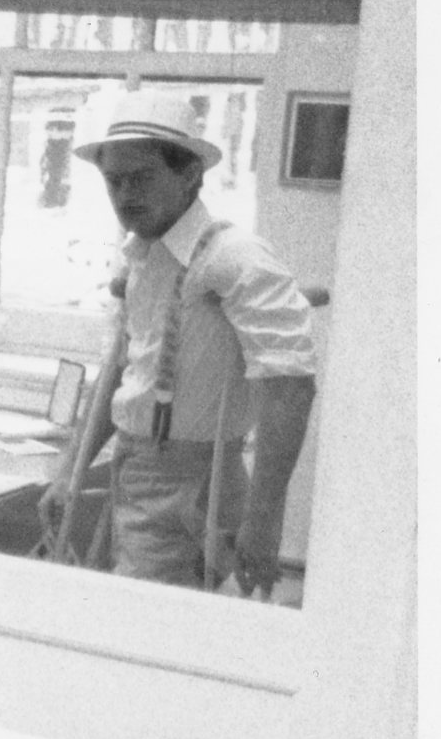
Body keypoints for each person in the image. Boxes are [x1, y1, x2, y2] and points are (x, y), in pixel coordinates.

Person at [38, 94, 318, 596]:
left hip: (201, 480)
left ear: (189, 174)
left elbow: (291, 388)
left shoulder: (235, 258)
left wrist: (265, 519)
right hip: (136, 470)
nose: (124, 195)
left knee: (146, 632)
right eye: (113, 181)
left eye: (140, 178)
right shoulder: (141, 254)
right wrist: (69, 470)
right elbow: (123, 370)